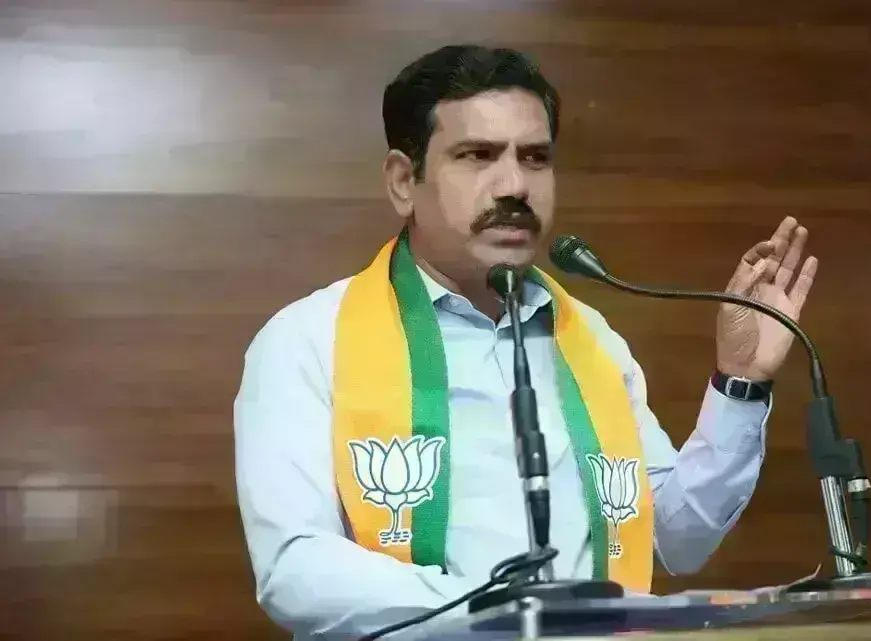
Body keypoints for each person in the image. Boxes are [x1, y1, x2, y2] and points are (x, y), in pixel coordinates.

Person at [233, 44, 818, 640]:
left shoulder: (590, 340)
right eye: (477, 155)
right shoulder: (308, 341)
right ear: (405, 182)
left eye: (535, 158)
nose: (514, 185)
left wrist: (741, 383)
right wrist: (510, 615)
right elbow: (294, 570)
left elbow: (678, 538)